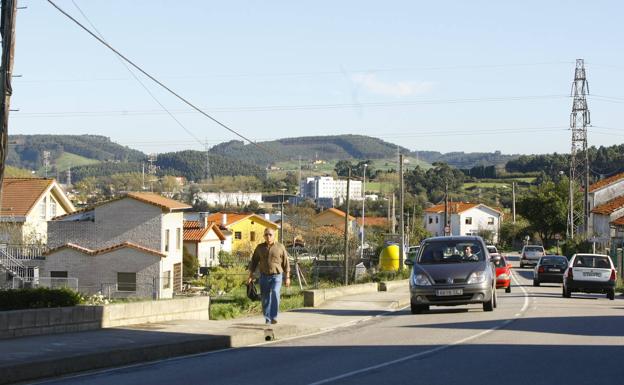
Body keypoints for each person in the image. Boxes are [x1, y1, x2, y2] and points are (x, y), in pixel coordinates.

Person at [247, 228, 291, 324]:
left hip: (277, 276)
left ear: (274, 235)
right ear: (264, 236)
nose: (268, 236)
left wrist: (287, 277)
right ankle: (267, 319)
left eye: (270, 234)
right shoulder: (259, 247)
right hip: (264, 276)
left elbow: (286, 263)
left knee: (275, 292)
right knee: (265, 298)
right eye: (266, 234)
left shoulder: (280, 247)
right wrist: (250, 275)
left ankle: (274, 316)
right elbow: (254, 262)